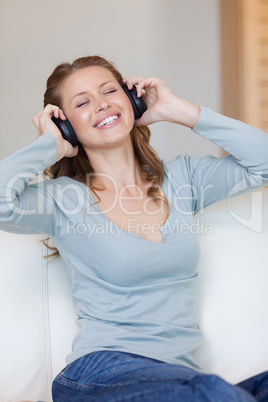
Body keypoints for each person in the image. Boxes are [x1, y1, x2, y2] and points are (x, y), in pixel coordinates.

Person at [0, 55, 267, 402]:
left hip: (182, 379)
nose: (102, 104)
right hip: (100, 373)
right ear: (66, 125)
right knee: (209, 393)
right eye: (82, 102)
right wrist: (48, 145)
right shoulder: (63, 199)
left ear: (132, 101)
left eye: (110, 90)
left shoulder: (184, 180)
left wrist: (179, 110)